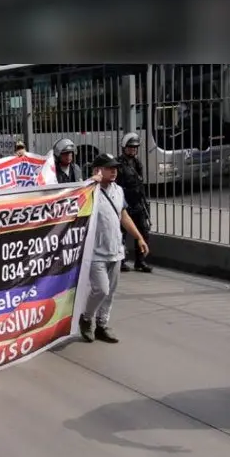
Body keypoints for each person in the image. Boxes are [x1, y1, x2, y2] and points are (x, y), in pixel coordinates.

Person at [80, 154, 150, 344]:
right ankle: (86, 318)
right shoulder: (88, 191)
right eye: (109, 168)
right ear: (97, 170)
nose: (114, 171)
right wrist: (89, 183)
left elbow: (123, 216)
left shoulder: (118, 190)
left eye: (115, 168)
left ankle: (102, 325)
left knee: (110, 292)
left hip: (115, 251)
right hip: (95, 252)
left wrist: (139, 238)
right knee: (101, 290)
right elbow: (73, 203)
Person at [116, 132, 153, 273]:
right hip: (125, 203)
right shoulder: (118, 164)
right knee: (121, 234)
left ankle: (140, 261)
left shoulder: (137, 163)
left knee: (143, 231)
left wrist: (144, 203)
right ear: (124, 147)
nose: (133, 150)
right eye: (130, 147)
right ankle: (121, 261)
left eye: (135, 147)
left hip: (138, 203)